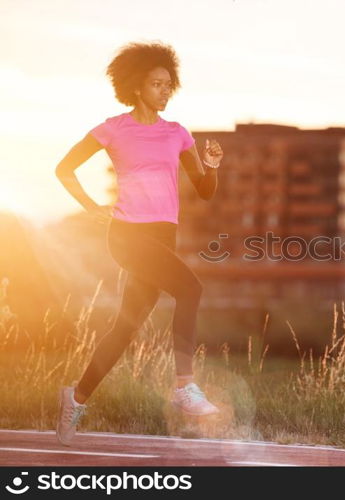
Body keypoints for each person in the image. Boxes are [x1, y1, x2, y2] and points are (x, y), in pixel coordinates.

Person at [54, 41, 223, 446]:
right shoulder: (114, 128)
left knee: (125, 327)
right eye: (156, 84)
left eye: (169, 84)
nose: (165, 91)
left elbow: (204, 190)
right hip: (128, 235)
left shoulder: (177, 134)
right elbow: (65, 168)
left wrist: (213, 166)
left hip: (163, 236)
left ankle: (75, 398)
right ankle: (184, 386)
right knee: (191, 288)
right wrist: (92, 206)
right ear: (135, 86)